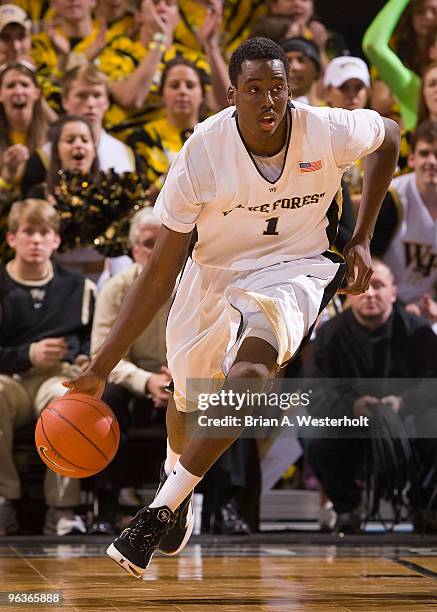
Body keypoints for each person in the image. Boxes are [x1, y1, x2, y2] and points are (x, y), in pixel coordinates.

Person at [64, 37, 400, 578]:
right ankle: (175, 488)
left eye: (277, 88)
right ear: (232, 94)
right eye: (254, 90)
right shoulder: (200, 151)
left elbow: (391, 136)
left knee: (249, 375)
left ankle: (157, 513)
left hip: (298, 267)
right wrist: (100, 366)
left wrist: (361, 238)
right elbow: (158, 274)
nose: (268, 101)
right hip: (213, 274)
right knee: (187, 404)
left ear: (290, 90)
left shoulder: (326, 127)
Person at [302, 259, 437, 533]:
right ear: (349, 294)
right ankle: (347, 508)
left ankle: (425, 507)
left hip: (407, 425)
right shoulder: (329, 335)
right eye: (361, 287)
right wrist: (352, 406)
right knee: (312, 431)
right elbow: (315, 391)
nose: (370, 293)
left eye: (378, 285)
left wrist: (403, 403)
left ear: (394, 292)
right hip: (351, 427)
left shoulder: (418, 332)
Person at [0, 199, 96, 535]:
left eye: (44, 233)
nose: (36, 241)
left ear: (56, 240)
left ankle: (62, 509)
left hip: (56, 376)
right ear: (12, 238)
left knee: (66, 402)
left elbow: (90, 340)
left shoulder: (78, 287)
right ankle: (3, 501)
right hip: (8, 378)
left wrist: (84, 358)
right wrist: (28, 354)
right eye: (28, 232)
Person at [89, 207, 171, 533]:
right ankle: (105, 508)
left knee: (224, 396)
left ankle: (225, 506)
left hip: (178, 380)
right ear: (135, 249)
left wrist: (176, 380)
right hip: (133, 383)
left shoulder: (194, 287)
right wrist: (147, 381)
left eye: (166, 242)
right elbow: (101, 358)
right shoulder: (115, 289)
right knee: (105, 398)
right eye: (150, 243)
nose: (158, 251)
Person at [371, 119, 437, 324]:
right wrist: (397, 304)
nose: (432, 161)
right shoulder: (394, 197)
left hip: (427, 307)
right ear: (412, 159)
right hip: (384, 304)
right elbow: (369, 258)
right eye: (425, 153)